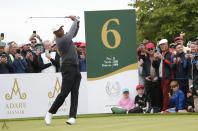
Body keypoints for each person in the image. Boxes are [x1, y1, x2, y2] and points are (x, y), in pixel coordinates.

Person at [45, 16, 81, 125]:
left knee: (75, 92)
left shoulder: (65, 37)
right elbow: (71, 33)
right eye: (59, 30)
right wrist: (75, 20)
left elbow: (73, 33)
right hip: (67, 67)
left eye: (61, 28)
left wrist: (77, 23)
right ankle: (50, 113)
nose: (62, 30)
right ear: (55, 33)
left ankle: (72, 117)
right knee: (64, 93)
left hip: (75, 67)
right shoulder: (61, 40)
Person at [153, 39, 172, 111]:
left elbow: (171, 65)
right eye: (161, 45)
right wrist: (154, 60)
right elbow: (155, 66)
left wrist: (163, 59)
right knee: (162, 94)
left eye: (164, 44)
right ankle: (164, 108)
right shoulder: (160, 54)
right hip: (161, 78)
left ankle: (166, 109)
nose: (162, 46)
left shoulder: (170, 54)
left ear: (167, 45)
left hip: (167, 77)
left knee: (166, 94)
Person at [143, 43, 163, 112]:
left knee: (157, 96)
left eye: (152, 49)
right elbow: (144, 69)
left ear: (154, 48)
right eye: (149, 49)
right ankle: (150, 109)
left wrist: (157, 76)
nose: (151, 50)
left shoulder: (158, 56)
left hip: (157, 80)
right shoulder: (145, 58)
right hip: (149, 81)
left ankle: (158, 109)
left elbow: (160, 68)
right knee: (149, 96)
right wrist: (145, 76)